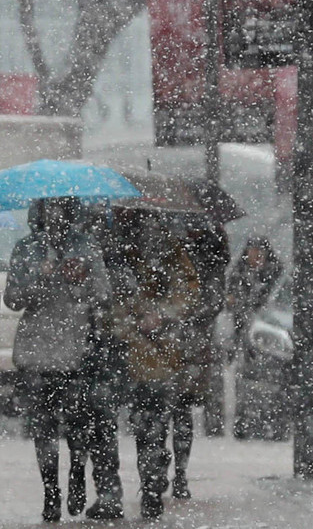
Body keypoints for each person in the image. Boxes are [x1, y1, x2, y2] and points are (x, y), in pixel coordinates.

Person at [4, 198, 113, 523]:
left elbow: (103, 294)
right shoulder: (26, 248)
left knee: (78, 425)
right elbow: (12, 298)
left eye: (61, 209)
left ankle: (77, 473)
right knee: (43, 428)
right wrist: (39, 278)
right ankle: (51, 491)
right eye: (48, 209)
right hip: (37, 353)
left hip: (75, 350)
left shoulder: (86, 247)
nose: (55, 216)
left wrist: (78, 282)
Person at [115, 214, 199, 519]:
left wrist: (162, 315)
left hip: (163, 352)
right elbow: (111, 299)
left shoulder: (173, 253)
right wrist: (132, 321)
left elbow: (190, 292)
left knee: (155, 421)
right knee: (143, 424)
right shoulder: (120, 252)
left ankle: (153, 481)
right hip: (134, 352)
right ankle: (150, 480)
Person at [181, 217, 231, 443]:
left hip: (199, 322)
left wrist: (195, 312)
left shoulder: (212, 249)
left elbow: (215, 295)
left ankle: (212, 421)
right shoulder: (180, 247)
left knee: (207, 371)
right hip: (184, 321)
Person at [227, 236, 283, 359]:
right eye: (252, 252)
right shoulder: (239, 271)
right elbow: (231, 292)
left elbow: (269, 297)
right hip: (241, 319)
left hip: (263, 322)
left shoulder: (275, 273)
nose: (255, 256)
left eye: (259, 253)